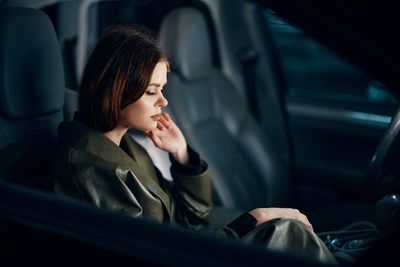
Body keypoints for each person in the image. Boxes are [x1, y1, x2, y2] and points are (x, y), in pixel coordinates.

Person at [47, 24, 336, 264]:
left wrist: (182, 156)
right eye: (152, 91)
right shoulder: (88, 169)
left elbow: (190, 221)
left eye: (162, 89)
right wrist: (251, 219)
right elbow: (153, 254)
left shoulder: (126, 148)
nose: (164, 101)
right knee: (287, 230)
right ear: (116, 90)